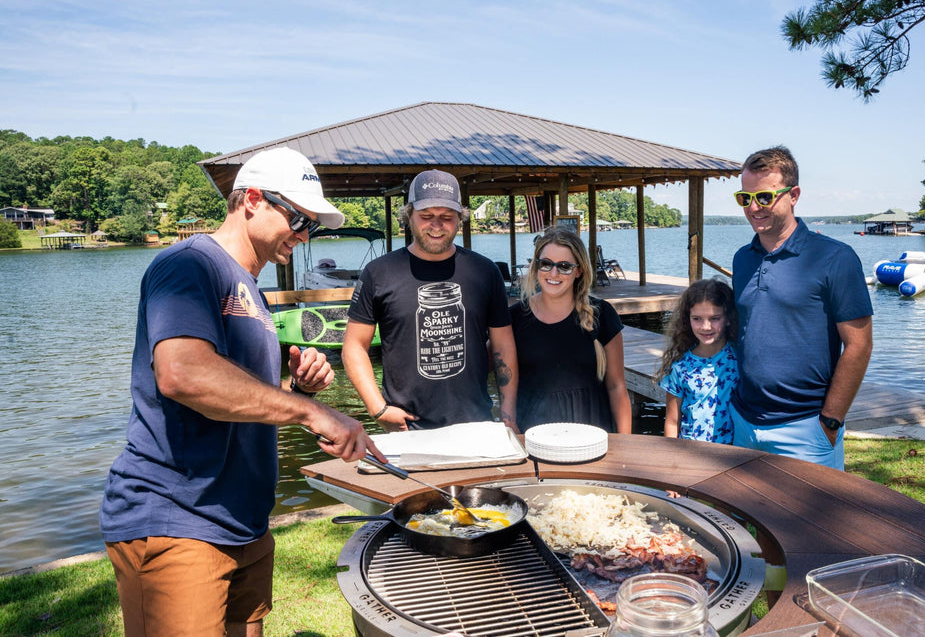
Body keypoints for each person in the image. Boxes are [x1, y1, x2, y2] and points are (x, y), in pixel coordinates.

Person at [100, 146, 385, 637]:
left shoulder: (248, 284)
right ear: (252, 199)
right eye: (298, 217)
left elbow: (238, 393)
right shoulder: (189, 265)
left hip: (242, 518)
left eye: (312, 225)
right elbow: (183, 373)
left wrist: (297, 388)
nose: (303, 234)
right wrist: (309, 414)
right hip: (177, 518)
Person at [341, 169, 518, 432]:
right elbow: (354, 346)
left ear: (460, 219)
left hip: (476, 423)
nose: (436, 225)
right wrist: (378, 408)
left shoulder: (485, 271)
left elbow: (502, 345)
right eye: (426, 216)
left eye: (446, 217)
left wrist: (508, 412)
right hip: (406, 427)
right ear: (408, 216)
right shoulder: (379, 273)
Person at [731, 146, 873, 470]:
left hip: (805, 429)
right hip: (742, 421)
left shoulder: (836, 258)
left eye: (764, 197)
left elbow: (859, 344)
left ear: (793, 195)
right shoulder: (742, 258)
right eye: (745, 198)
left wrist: (830, 421)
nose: (754, 207)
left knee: (808, 522)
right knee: (745, 519)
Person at [509, 225, 632, 434]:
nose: (553, 273)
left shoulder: (602, 315)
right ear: (536, 266)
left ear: (579, 270)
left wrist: (627, 445)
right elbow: (482, 367)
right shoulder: (515, 318)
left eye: (564, 266)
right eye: (545, 264)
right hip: (535, 436)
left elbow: (617, 386)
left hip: (592, 433)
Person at [654, 279, 739, 443]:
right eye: (697, 318)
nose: (706, 326)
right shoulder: (679, 366)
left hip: (732, 455)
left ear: (728, 318)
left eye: (714, 318)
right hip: (691, 455)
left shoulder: (739, 359)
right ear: (687, 319)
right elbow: (672, 421)